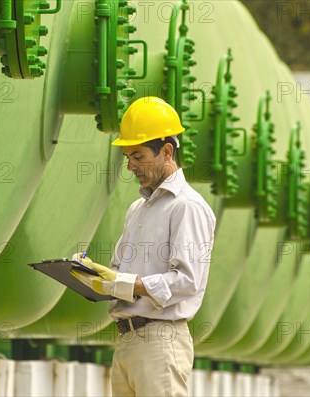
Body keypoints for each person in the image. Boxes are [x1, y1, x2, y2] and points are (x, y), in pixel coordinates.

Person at [71, 96, 216, 396]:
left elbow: (188, 281)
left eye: (137, 157)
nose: (130, 167)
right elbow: (118, 274)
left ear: (166, 151)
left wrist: (125, 284)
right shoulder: (137, 209)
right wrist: (92, 276)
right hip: (127, 340)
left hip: (161, 342)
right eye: (127, 157)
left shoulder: (187, 207)